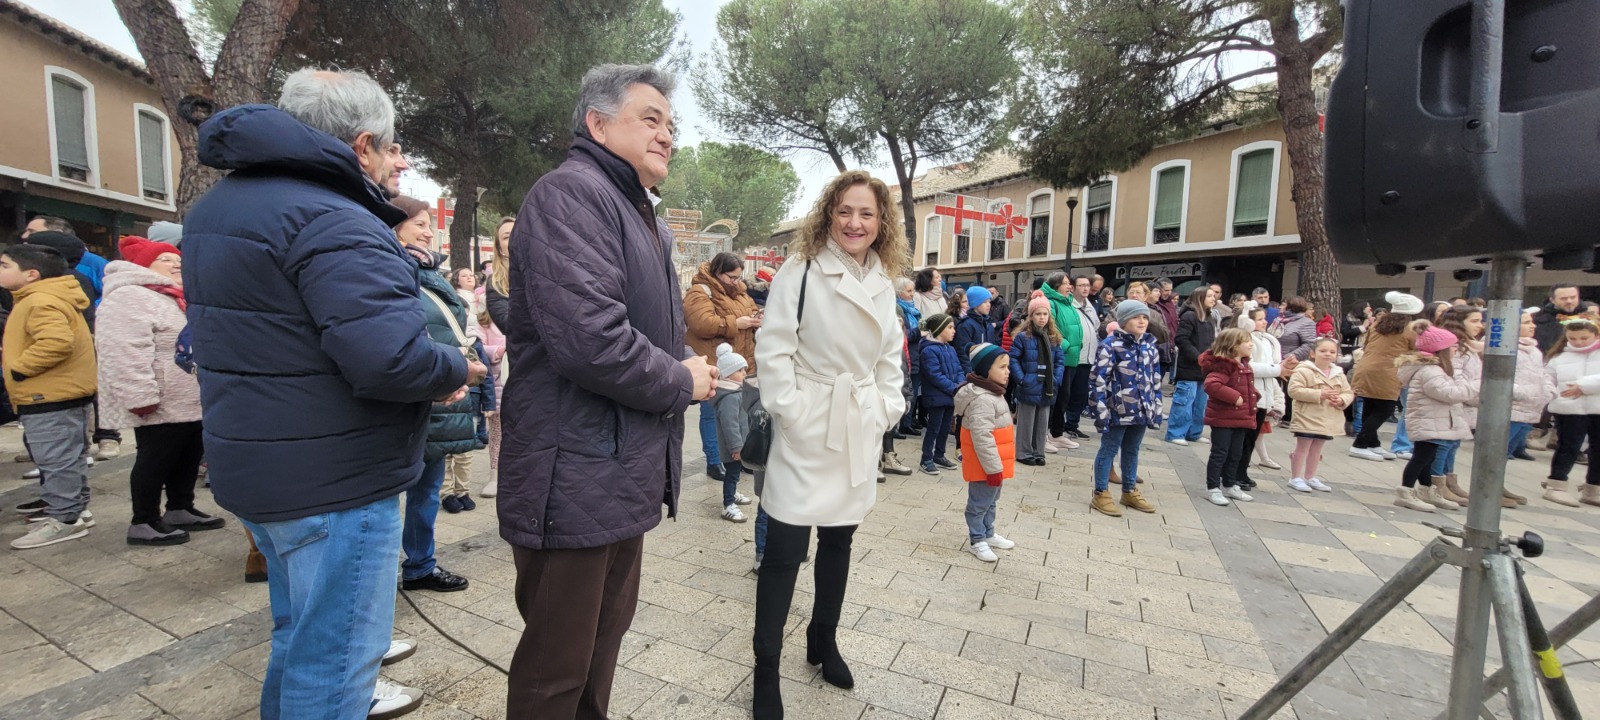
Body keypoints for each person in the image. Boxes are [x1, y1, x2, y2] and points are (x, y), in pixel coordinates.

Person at [183, 69, 479, 719]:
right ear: (361, 145)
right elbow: (389, 362)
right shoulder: (334, 218)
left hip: (264, 469)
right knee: (340, 662)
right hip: (335, 483)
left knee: (298, 640)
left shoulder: (220, 207)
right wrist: (455, 366)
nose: (399, 161)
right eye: (394, 148)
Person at [498, 64, 719, 720]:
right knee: (556, 672)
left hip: (620, 471)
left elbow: (641, 327)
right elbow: (591, 342)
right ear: (597, 124)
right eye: (649, 119)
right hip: (573, 474)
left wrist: (682, 357)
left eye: (671, 125)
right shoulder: (571, 196)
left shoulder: (640, 217)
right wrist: (681, 378)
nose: (667, 136)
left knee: (597, 654)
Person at [750, 170, 907, 719]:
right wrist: (792, 414)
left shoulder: (884, 279)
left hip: (857, 424)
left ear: (881, 222)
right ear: (829, 214)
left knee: (839, 542)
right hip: (809, 420)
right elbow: (773, 350)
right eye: (845, 211)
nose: (855, 222)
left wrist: (886, 409)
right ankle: (764, 669)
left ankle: (823, 640)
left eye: (867, 213)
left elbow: (890, 356)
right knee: (784, 554)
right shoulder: (802, 268)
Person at [96, 236, 224, 545]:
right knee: (156, 458)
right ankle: (144, 520)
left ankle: (179, 507)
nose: (175, 263)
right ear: (142, 266)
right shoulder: (128, 296)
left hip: (190, 396)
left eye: (177, 259)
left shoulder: (174, 296)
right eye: (165, 259)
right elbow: (122, 349)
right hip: (159, 398)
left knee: (188, 453)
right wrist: (139, 396)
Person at [390, 195, 486, 583]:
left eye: (430, 224)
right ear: (394, 228)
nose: (429, 232)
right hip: (406, 397)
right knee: (381, 501)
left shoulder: (428, 272)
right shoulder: (388, 270)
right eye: (419, 225)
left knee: (427, 490)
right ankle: (376, 581)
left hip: (440, 394)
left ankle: (420, 564)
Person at [2, 245, 96, 549]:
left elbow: (56, 342)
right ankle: (74, 511)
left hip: (48, 394)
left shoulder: (40, 300)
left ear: (31, 274)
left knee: (56, 459)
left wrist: (18, 369)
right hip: (59, 392)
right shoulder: (46, 297)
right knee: (69, 457)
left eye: (5, 265)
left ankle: (64, 518)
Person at [684, 252, 761, 480]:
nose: (736, 281)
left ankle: (740, 456)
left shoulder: (740, 293)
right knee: (712, 415)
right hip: (715, 366)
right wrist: (734, 323)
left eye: (739, 277)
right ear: (718, 272)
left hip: (741, 366)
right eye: (731, 277)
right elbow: (700, 323)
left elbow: (749, 310)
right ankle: (714, 460)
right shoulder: (700, 292)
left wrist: (756, 318)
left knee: (740, 414)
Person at [1394, 325, 1477, 512]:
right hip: (1427, 421)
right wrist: (1474, 386)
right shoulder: (1430, 371)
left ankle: (1426, 489)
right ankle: (1405, 491)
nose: (1456, 350)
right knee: (1421, 457)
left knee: (1428, 458)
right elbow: (1447, 393)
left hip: (1432, 420)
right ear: (1442, 350)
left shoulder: (1434, 369)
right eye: (1453, 346)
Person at [1089, 300, 1162, 516]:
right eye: (1136, 317)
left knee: (1132, 450)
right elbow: (1098, 381)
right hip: (1117, 410)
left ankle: (1129, 490)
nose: (1142, 321)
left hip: (1141, 409)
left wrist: (1155, 408)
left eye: (1144, 317)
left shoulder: (1149, 347)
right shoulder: (1111, 346)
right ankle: (1100, 492)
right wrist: (1100, 410)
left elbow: (1155, 380)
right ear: (1123, 321)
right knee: (1109, 449)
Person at [955, 343, 1016, 562]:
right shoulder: (982, 399)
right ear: (985, 369)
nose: (1007, 371)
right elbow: (982, 437)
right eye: (1002, 367)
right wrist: (993, 468)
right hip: (985, 464)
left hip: (994, 462)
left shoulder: (993, 392)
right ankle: (977, 539)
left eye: (1008, 366)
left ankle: (988, 533)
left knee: (991, 500)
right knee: (979, 503)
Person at [1429, 305, 1491, 507]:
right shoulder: (1455, 345)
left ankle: (1449, 480)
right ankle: (1436, 482)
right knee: (1444, 444)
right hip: (1455, 401)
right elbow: (1454, 376)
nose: (1479, 325)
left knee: (1453, 444)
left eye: (1480, 321)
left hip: (1465, 403)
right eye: (1474, 321)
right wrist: (1475, 391)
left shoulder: (1470, 346)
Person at [1350, 292, 1422, 461]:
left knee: (1369, 406)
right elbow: (1415, 351)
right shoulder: (1411, 330)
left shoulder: (1378, 324)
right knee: (1384, 410)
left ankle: (1373, 444)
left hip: (1365, 367)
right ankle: (1359, 445)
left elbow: (1366, 344)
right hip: (1388, 372)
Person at [1543, 318, 1600, 507]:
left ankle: (1593, 487)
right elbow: (1547, 377)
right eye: (1573, 338)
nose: (1579, 342)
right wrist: (1551, 393)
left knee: (1597, 448)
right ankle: (1556, 485)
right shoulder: (1559, 356)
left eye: (1585, 338)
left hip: (1597, 406)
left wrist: (1583, 386)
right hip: (1569, 408)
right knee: (1568, 446)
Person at [1199, 328, 1259, 506]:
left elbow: (1245, 387)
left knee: (1236, 453)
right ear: (1233, 346)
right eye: (1246, 341)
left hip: (1241, 418)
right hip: (1223, 419)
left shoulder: (1244, 365)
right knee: (1220, 453)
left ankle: (1230, 484)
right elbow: (1212, 385)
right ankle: (1213, 488)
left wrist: (1254, 397)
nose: (1250, 344)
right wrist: (1235, 397)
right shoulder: (1224, 365)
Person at [1286, 338, 1352, 493]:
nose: (1327, 354)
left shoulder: (1339, 374)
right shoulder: (1303, 370)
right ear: (1313, 353)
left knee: (1317, 448)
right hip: (1307, 415)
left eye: (1332, 352)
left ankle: (1310, 476)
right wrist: (1319, 394)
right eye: (1323, 351)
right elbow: (1294, 391)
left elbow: (1348, 392)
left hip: (1328, 417)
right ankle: (1295, 477)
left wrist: (1341, 400)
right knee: (1303, 447)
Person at [1010, 292, 1065, 466]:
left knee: (1042, 421)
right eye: (1038, 314)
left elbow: (1059, 361)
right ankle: (1024, 451)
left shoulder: (1054, 338)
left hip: (1047, 385)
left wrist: (1056, 379)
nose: (1042, 318)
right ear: (1031, 316)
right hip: (1029, 383)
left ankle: (1038, 451)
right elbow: (1013, 358)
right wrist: (1022, 378)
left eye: (1045, 314)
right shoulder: (1023, 337)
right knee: (1027, 421)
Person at [1237, 310, 1292, 482]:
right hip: (1251, 393)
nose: (1264, 322)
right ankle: (1237, 472)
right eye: (1259, 319)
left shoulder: (1267, 340)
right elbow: (1250, 366)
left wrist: (1282, 367)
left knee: (1253, 437)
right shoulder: (1247, 340)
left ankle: (1242, 471)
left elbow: (1273, 364)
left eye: (1264, 319)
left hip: (1265, 395)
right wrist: (1277, 369)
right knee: (1244, 438)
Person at [480, 216, 513, 499]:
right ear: (499, 246)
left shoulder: (547, 270)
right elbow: (510, 323)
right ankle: (497, 475)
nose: (512, 239)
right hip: (517, 365)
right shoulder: (496, 283)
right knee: (504, 424)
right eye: (505, 236)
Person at [1041, 273, 1087, 450]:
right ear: (1056, 286)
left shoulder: (1068, 303)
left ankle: (1057, 433)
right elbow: (1051, 328)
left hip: (1071, 359)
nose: (1069, 286)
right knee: (1053, 396)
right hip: (1059, 357)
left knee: (1064, 397)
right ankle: (1043, 435)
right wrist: (1066, 345)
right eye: (1066, 284)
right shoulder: (1051, 303)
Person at [1167, 287, 1216, 445]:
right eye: (1209, 296)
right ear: (1200, 298)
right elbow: (1181, 339)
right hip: (1189, 367)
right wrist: (1197, 356)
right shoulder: (1189, 316)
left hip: (1204, 368)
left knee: (1200, 403)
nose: (1213, 298)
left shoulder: (1209, 317)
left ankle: (1194, 432)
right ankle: (1176, 433)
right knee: (1184, 401)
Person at [712, 343, 753, 521]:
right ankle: (728, 504)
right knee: (732, 474)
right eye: (740, 371)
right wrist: (736, 447)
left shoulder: (736, 392)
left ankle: (733, 493)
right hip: (733, 447)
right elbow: (730, 425)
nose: (744, 374)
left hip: (739, 444)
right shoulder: (729, 397)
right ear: (728, 374)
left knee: (734, 473)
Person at [920, 313, 962, 474]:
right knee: (934, 428)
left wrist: (960, 384)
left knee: (945, 429)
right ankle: (926, 458)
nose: (954, 331)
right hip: (936, 397)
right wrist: (953, 387)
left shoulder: (950, 349)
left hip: (950, 396)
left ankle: (939, 454)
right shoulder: (929, 350)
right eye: (950, 328)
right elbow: (934, 375)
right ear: (938, 330)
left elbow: (958, 369)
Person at [1510, 309, 1554, 462]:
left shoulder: (1535, 350)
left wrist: (1548, 392)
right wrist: (1517, 391)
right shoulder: (1507, 348)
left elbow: (1543, 374)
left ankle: (1518, 449)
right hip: (1514, 404)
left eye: (1532, 322)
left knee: (1521, 432)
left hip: (1532, 404)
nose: (1533, 326)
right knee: (1502, 449)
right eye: (1527, 322)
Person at [1064, 275, 1101, 431]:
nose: (1085, 288)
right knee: (1066, 394)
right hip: (1073, 357)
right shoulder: (1068, 305)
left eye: (1087, 285)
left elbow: (1097, 327)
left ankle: (1072, 424)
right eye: (1081, 285)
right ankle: (1059, 426)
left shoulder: (1091, 306)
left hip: (1088, 357)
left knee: (1080, 394)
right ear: (1073, 287)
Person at [894, 277, 923, 436]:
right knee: (902, 391)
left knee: (912, 392)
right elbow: (903, 335)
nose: (912, 294)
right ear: (899, 292)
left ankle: (907, 422)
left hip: (916, 354)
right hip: (905, 355)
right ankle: (896, 426)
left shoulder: (915, 310)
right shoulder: (898, 308)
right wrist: (919, 332)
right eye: (909, 291)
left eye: (913, 290)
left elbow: (920, 327)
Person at [954, 285, 996, 371]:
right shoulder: (966, 325)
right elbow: (962, 353)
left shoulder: (988, 324)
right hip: (974, 371)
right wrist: (969, 373)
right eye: (984, 302)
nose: (988, 305)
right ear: (975, 303)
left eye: (989, 302)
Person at [1153, 278, 1181, 376]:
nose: (1169, 293)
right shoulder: (1153, 305)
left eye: (1170, 290)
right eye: (1166, 290)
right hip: (1156, 347)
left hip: (1169, 348)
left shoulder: (1171, 305)